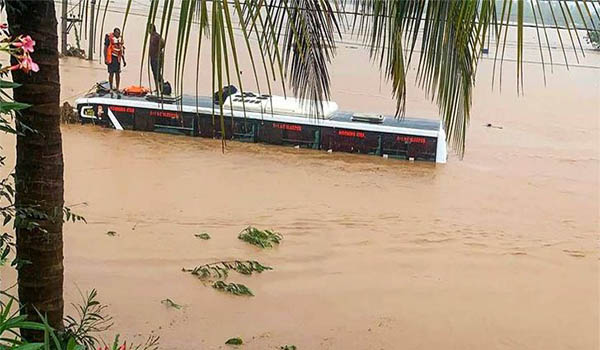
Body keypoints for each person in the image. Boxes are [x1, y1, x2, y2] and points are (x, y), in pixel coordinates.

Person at [104, 27, 126, 93]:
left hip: (117, 58)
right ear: (114, 33)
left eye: (119, 33)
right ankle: (110, 88)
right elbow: (105, 48)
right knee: (111, 73)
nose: (118, 34)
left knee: (118, 73)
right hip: (111, 58)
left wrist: (124, 60)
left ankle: (117, 88)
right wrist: (105, 58)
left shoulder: (120, 40)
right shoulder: (109, 39)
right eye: (117, 33)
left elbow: (121, 50)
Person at [148, 24, 165, 92]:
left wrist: (159, 50)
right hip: (152, 57)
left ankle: (162, 86)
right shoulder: (152, 36)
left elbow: (163, 42)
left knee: (157, 73)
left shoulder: (156, 36)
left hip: (157, 57)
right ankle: (157, 88)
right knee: (154, 72)